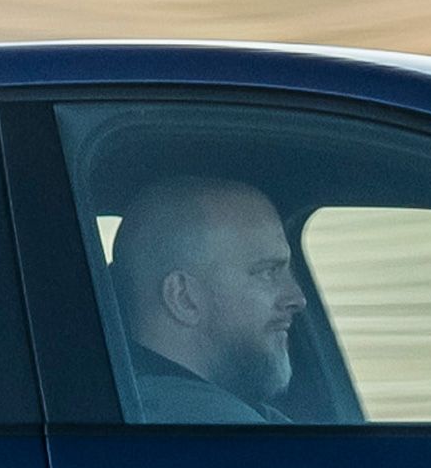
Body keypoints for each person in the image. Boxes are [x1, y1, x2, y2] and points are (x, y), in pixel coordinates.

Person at [101, 174, 310, 421]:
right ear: (183, 298)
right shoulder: (215, 425)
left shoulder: (136, 405)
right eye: (267, 272)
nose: (298, 298)